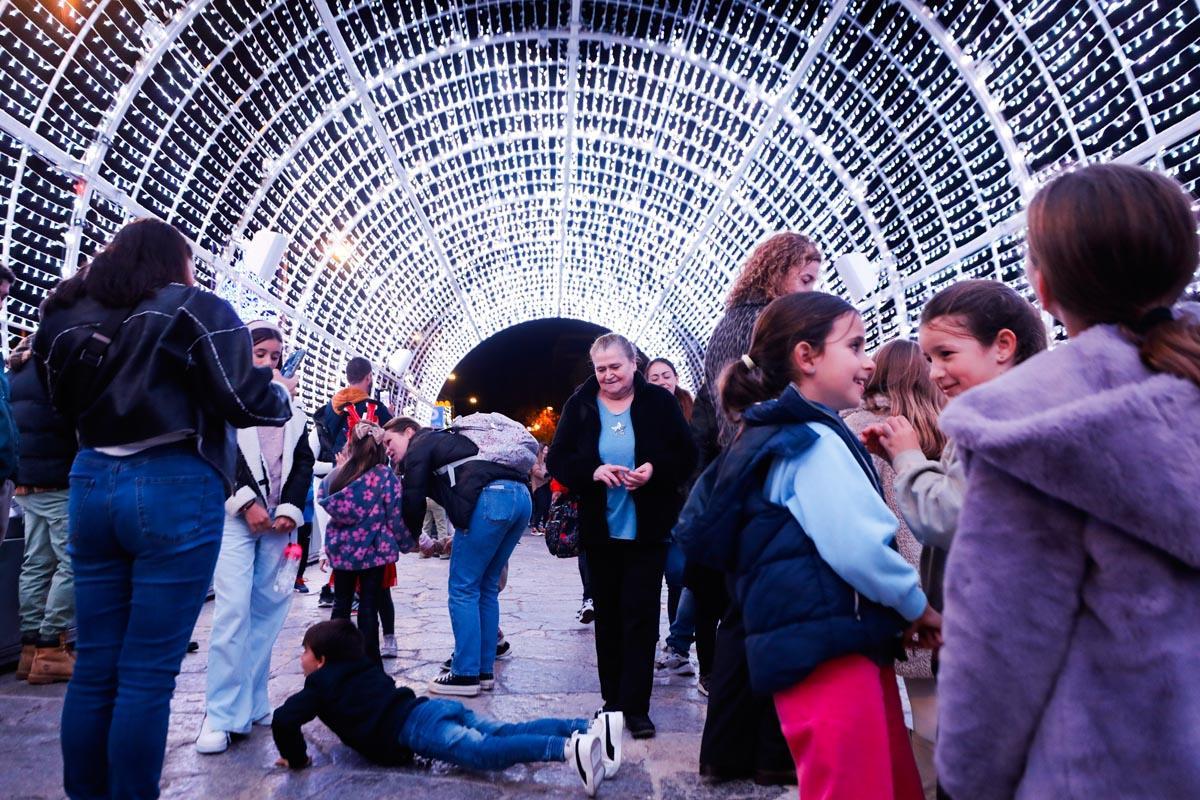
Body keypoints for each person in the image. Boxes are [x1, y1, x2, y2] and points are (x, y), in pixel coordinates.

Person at [933, 164, 1200, 799]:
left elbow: (1001, 640)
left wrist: (968, 779)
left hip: (1108, 767)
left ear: (1044, 287)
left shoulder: (1028, 426)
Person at [32, 218, 294, 800]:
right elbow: (240, 396)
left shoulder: (64, 311)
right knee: (147, 675)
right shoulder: (196, 307)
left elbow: (55, 402)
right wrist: (278, 395)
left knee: (96, 665)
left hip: (92, 479)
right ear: (174, 263)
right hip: (175, 480)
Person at [676, 291, 941, 799]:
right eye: (856, 345)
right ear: (806, 356)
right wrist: (914, 604)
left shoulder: (779, 434)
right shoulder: (812, 442)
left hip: (812, 640)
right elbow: (858, 547)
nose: (869, 361)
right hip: (833, 649)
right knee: (857, 785)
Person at [695, 231, 821, 782]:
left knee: (743, 619)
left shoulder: (728, 324)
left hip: (737, 470)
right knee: (773, 617)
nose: (812, 289)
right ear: (780, 271)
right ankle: (773, 755)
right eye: (807, 278)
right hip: (772, 473)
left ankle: (725, 753)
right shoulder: (773, 324)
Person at [271, 620, 620, 796]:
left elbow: (285, 718)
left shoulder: (320, 684)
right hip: (430, 709)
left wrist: (296, 756)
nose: (300, 657)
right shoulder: (364, 667)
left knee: (485, 753)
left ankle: (566, 749)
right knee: (502, 731)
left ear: (321, 660)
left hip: (417, 729)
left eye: (304, 651)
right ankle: (590, 725)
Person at [547, 333, 698, 739]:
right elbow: (559, 458)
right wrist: (592, 471)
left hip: (647, 530)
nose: (609, 374)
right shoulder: (579, 405)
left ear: (633, 364)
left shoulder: (660, 403)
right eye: (601, 368)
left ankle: (637, 708)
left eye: (616, 366)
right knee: (609, 618)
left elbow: (686, 455)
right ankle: (612, 702)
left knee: (641, 618)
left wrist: (653, 471)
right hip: (601, 530)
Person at [197, 320, 315, 754]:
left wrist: (287, 510)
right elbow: (220, 454)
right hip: (236, 521)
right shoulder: (223, 404)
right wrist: (247, 504)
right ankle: (220, 712)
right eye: (259, 355)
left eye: (275, 357)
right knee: (232, 612)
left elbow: (302, 463)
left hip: (278, 526)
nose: (267, 364)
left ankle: (251, 699)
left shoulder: (294, 412)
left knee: (269, 612)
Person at [843, 339, 946, 799]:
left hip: (883, 582)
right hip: (943, 578)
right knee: (937, 704)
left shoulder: (855, 428)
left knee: (893, 705)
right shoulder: (946, 426)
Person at [400, 411, 537, 696]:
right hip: (522, 498)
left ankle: (464, 674)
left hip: (492, 499)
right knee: (486, 588)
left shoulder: (421, 444)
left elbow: (412, 498)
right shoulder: (456, 444)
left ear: (409, 433)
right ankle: (484, 670)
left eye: (390, 441)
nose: (388, 450)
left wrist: (411, 536)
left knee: (463, 588)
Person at [10, 336, 78, 684]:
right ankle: (51, 647)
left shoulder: (17, 368)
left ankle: (30, 649)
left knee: (36, 562)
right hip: (58, 478)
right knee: (72, 560)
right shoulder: (57, 368)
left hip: (26, 481)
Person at [321, 411, 412, 662]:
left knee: (341, 604)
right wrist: (407, 543)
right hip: (374, 552)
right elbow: (394, 517)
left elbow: (328, 502)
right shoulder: (386, 477)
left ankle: (334, 658)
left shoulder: (338, 475)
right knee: (369, 606)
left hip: (342, 552)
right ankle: (369, 662)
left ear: (351, 444)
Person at [313, 356, 393, 606]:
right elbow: (388, 448)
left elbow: (311, 453)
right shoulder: (378, 410)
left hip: (333, 483)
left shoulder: (328, 410)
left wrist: (335, 468)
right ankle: (363, 591)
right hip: (368, 487)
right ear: (369, 377)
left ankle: (333, 589)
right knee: (365, 540)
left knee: (336, 536)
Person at [644, 357, 697, 678]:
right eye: (655, 377)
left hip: (687, 508)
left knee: (680, 576)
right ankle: (648, 644)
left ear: (676, 379)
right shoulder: (640, 411)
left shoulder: (693, 411)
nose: (662, 380)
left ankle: (678, 647)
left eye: (667, 375)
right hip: (652, 507)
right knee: (649, 580)